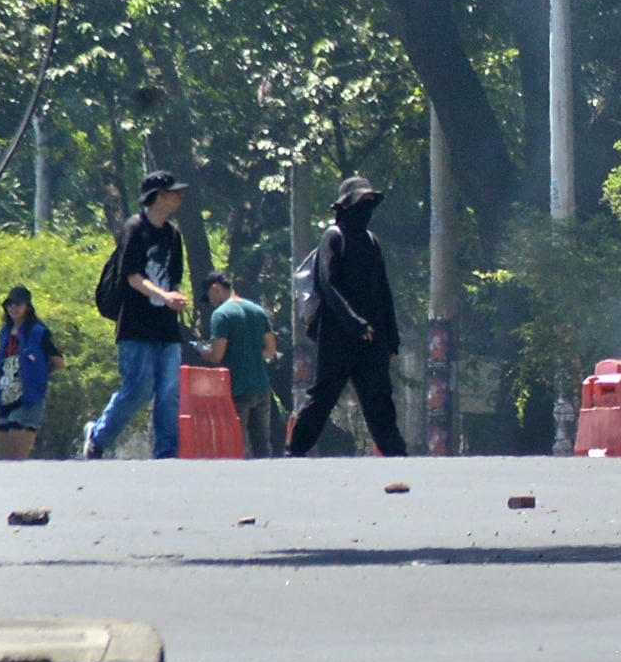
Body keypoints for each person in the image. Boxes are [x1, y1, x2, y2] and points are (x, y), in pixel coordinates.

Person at [287, 176, 411, 457]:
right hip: (338, 337)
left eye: (370, 202)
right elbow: (328, 286)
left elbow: (383, 291)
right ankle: (294, 450)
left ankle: (396, 454)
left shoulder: (371, 241)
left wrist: (391, 338)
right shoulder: (334, 237)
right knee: (323, 398)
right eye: (361, 202)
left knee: (379, 398)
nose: (366, 209)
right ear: (345, 206)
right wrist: (353, 322)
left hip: (372, 337)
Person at [84, 170, 192, 459]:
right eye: (173, 192)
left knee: (169, 392)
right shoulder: (135, 228)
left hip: (167, 327)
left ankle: (167, 452)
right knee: (138, 390)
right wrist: (163, 296)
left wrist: (175, 298)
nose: (179, 196)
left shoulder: (173, 235)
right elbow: (132, 276)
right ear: (158, 196)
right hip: (136, 327)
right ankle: (98, 437)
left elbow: (174, 278)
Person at [202, 270, 282, 458]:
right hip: (262, 387)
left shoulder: (221, 315)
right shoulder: (258, 311)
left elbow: (217, 355)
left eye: (209, 297)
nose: (211, 302)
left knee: (236, 444)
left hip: (237, 388)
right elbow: (270, 350)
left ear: (216, 289)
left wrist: (203, 352)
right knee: (262, 446)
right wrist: (251, 353)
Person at [0, 285, 61, 462]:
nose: (14, 308)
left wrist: (37, 376)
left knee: (18, 459)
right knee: (5, 459)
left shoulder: (38, 332)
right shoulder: (5, 332)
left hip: (28, 397)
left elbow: (59, 362)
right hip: (4, 396)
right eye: (10, 304)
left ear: (27, 306)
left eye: (18, 304)